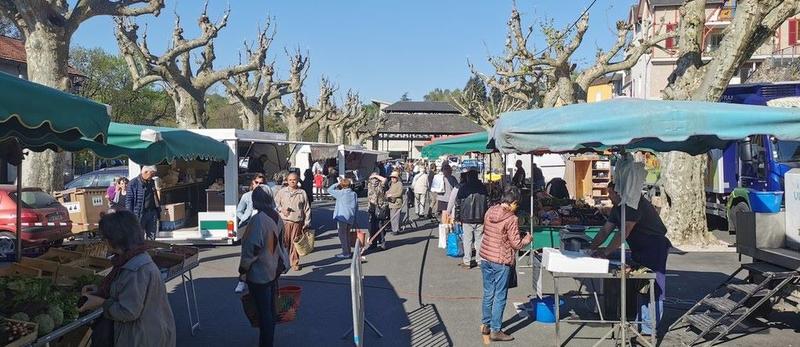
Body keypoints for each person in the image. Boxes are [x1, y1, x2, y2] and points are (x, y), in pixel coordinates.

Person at [79, 210, 176, 347]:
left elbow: (128, 311)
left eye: (105, 238)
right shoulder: (132, 258)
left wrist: (100, 302)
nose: (104, 241)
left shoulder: (135, 269)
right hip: (150, 331)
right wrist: (99, 291)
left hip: (143, 338)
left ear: (115, 239)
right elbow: (126, 291)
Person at [588, 181, 670, 336]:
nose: (609, 197)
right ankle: (642, 322)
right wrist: (591, 248)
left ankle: (649, 329)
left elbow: (624, 232)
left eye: (611, 193)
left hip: (654, 246)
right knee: (641, 284)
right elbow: (605, 230)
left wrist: (606, 252)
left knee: (653, 285)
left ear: (619, 193)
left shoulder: (633, 204)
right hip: (639, 248)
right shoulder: (617, 209)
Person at [479, 187, 532, 342]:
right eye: (517, 205)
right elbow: (516, 244)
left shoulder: (490, 211)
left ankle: (486, 324)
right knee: (500, 295)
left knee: (488, 292)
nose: (517, 208)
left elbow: (487, 231)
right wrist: (527, 240)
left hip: (485, 257)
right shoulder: (511, 219)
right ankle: (496, 330)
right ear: (513, 203)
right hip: (501, 260)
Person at [239, 188, 286, 347]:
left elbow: (252, 248)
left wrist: (243, 269)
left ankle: (266, 343)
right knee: (270, 310)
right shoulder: (276, 216)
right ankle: (268, 340)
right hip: (272, 268)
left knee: (264, 312)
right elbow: (276, 244)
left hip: (259, 271)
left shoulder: (259, 220)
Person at [275, 173, 311, 271]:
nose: (292, 181)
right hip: (284, 221)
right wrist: (282, 209)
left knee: (295, 243)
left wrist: (307, 222)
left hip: (297, 221)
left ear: (298, 180)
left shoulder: (302, 192)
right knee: (284, 243)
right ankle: (282, 262)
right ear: (287, 180)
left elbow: (306, 208)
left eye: (294, 179)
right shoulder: (282, 192)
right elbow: (276, 204)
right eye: (290, 180)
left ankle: (295, 262)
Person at [454, 168, 489, 269]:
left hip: (466, 217)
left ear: (468, 177)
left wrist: (457, 218)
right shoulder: (482, 187)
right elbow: (488, 202)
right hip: (480, 217)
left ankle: (467, 261)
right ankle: (479, 260)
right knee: (479, 240)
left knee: (467, 240)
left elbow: (458, 204)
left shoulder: (463, 188)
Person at [125, 166, 160, 240]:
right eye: (152, 174)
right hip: (139, 214)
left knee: (152, 236)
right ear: (145, 172)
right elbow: (129, 200)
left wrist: (158, 210)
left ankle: (151, 251)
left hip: (152, 212)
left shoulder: (152, 182)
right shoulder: (133, 183)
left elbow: (155, 197)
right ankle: (140, 251)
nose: (153, 176)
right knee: (138, 236)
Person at [328, 178, 359, 258]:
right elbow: (356, 207)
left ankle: (345, 253)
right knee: (347, 235)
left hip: (342, 216)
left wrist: (337, 183)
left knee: (342, 236)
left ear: (342, 185)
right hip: (350, 216)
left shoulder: (340, 193)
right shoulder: (354, 194)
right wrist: (355, 218)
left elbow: (329, 189)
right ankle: (348, 251)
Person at [367, 173, 389, 251]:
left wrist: (376, 176)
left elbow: (385, 180)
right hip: (371, 207)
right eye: (373, 179)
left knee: (380, 226)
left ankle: (382, 242)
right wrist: (373, 176)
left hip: (380, 207)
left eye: (375, 179)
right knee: (372, 227)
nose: (374, 181)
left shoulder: (381, 184)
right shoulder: (369, 184)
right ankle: (373, 243)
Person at [385, 171, 404, 236]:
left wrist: (391, 195)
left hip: (397, 203)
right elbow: (390, 190)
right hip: (391, 203)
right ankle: (394, 229)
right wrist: (387, 192)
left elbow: (400, 193)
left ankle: (395, 230)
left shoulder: (399, 184)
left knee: (395, 217)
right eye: (392, 177)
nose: (392, 179)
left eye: (394, 177)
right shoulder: (392, 184)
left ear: (397, 178)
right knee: (392, 217)